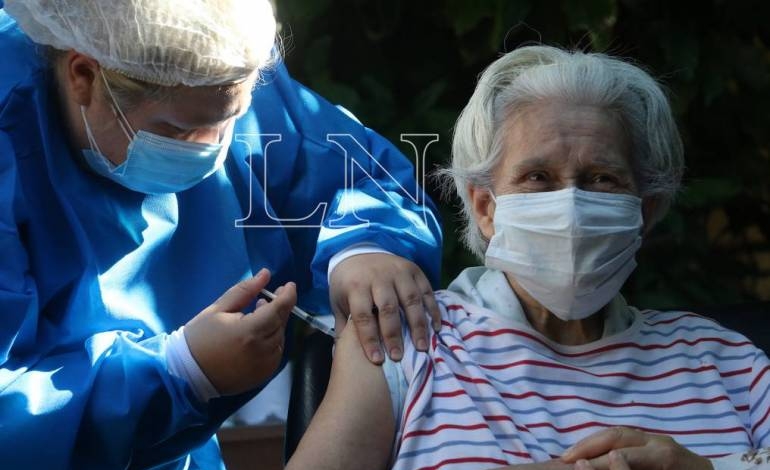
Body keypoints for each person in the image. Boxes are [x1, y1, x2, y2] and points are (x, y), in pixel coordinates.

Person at [0, 0, 443, 469]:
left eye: (231, 118)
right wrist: (179, 371)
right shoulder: (15, 140)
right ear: (83, 76)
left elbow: (351, 173)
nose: (213, 149)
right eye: (175, 129)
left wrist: (365, 246)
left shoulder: (209, 72)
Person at [285, 45, 770, 470]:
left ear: (645, 210)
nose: (572, 206)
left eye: (603, 178)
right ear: (485, 207)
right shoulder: (410, 340)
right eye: (537, 177)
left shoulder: (727, 364)